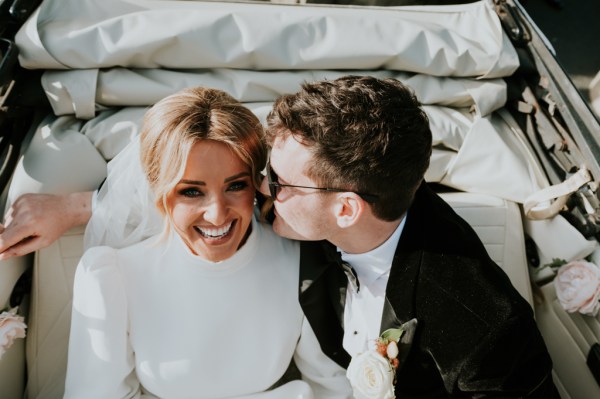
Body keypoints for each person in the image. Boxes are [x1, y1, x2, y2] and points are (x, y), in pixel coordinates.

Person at [1, 76, 558, 397]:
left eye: (265, 182)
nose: (261, 194)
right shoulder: (322, 211)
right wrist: (81, 205)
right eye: (261, 174)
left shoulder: (484, 335)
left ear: (346, 207)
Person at [63, 87, 352, 398]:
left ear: (257, 184)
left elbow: (332, 387)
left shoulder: (302, 260)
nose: (216, 215)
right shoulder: (111, 276)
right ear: (159, 192)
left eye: (236, 186)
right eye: (191, 191)